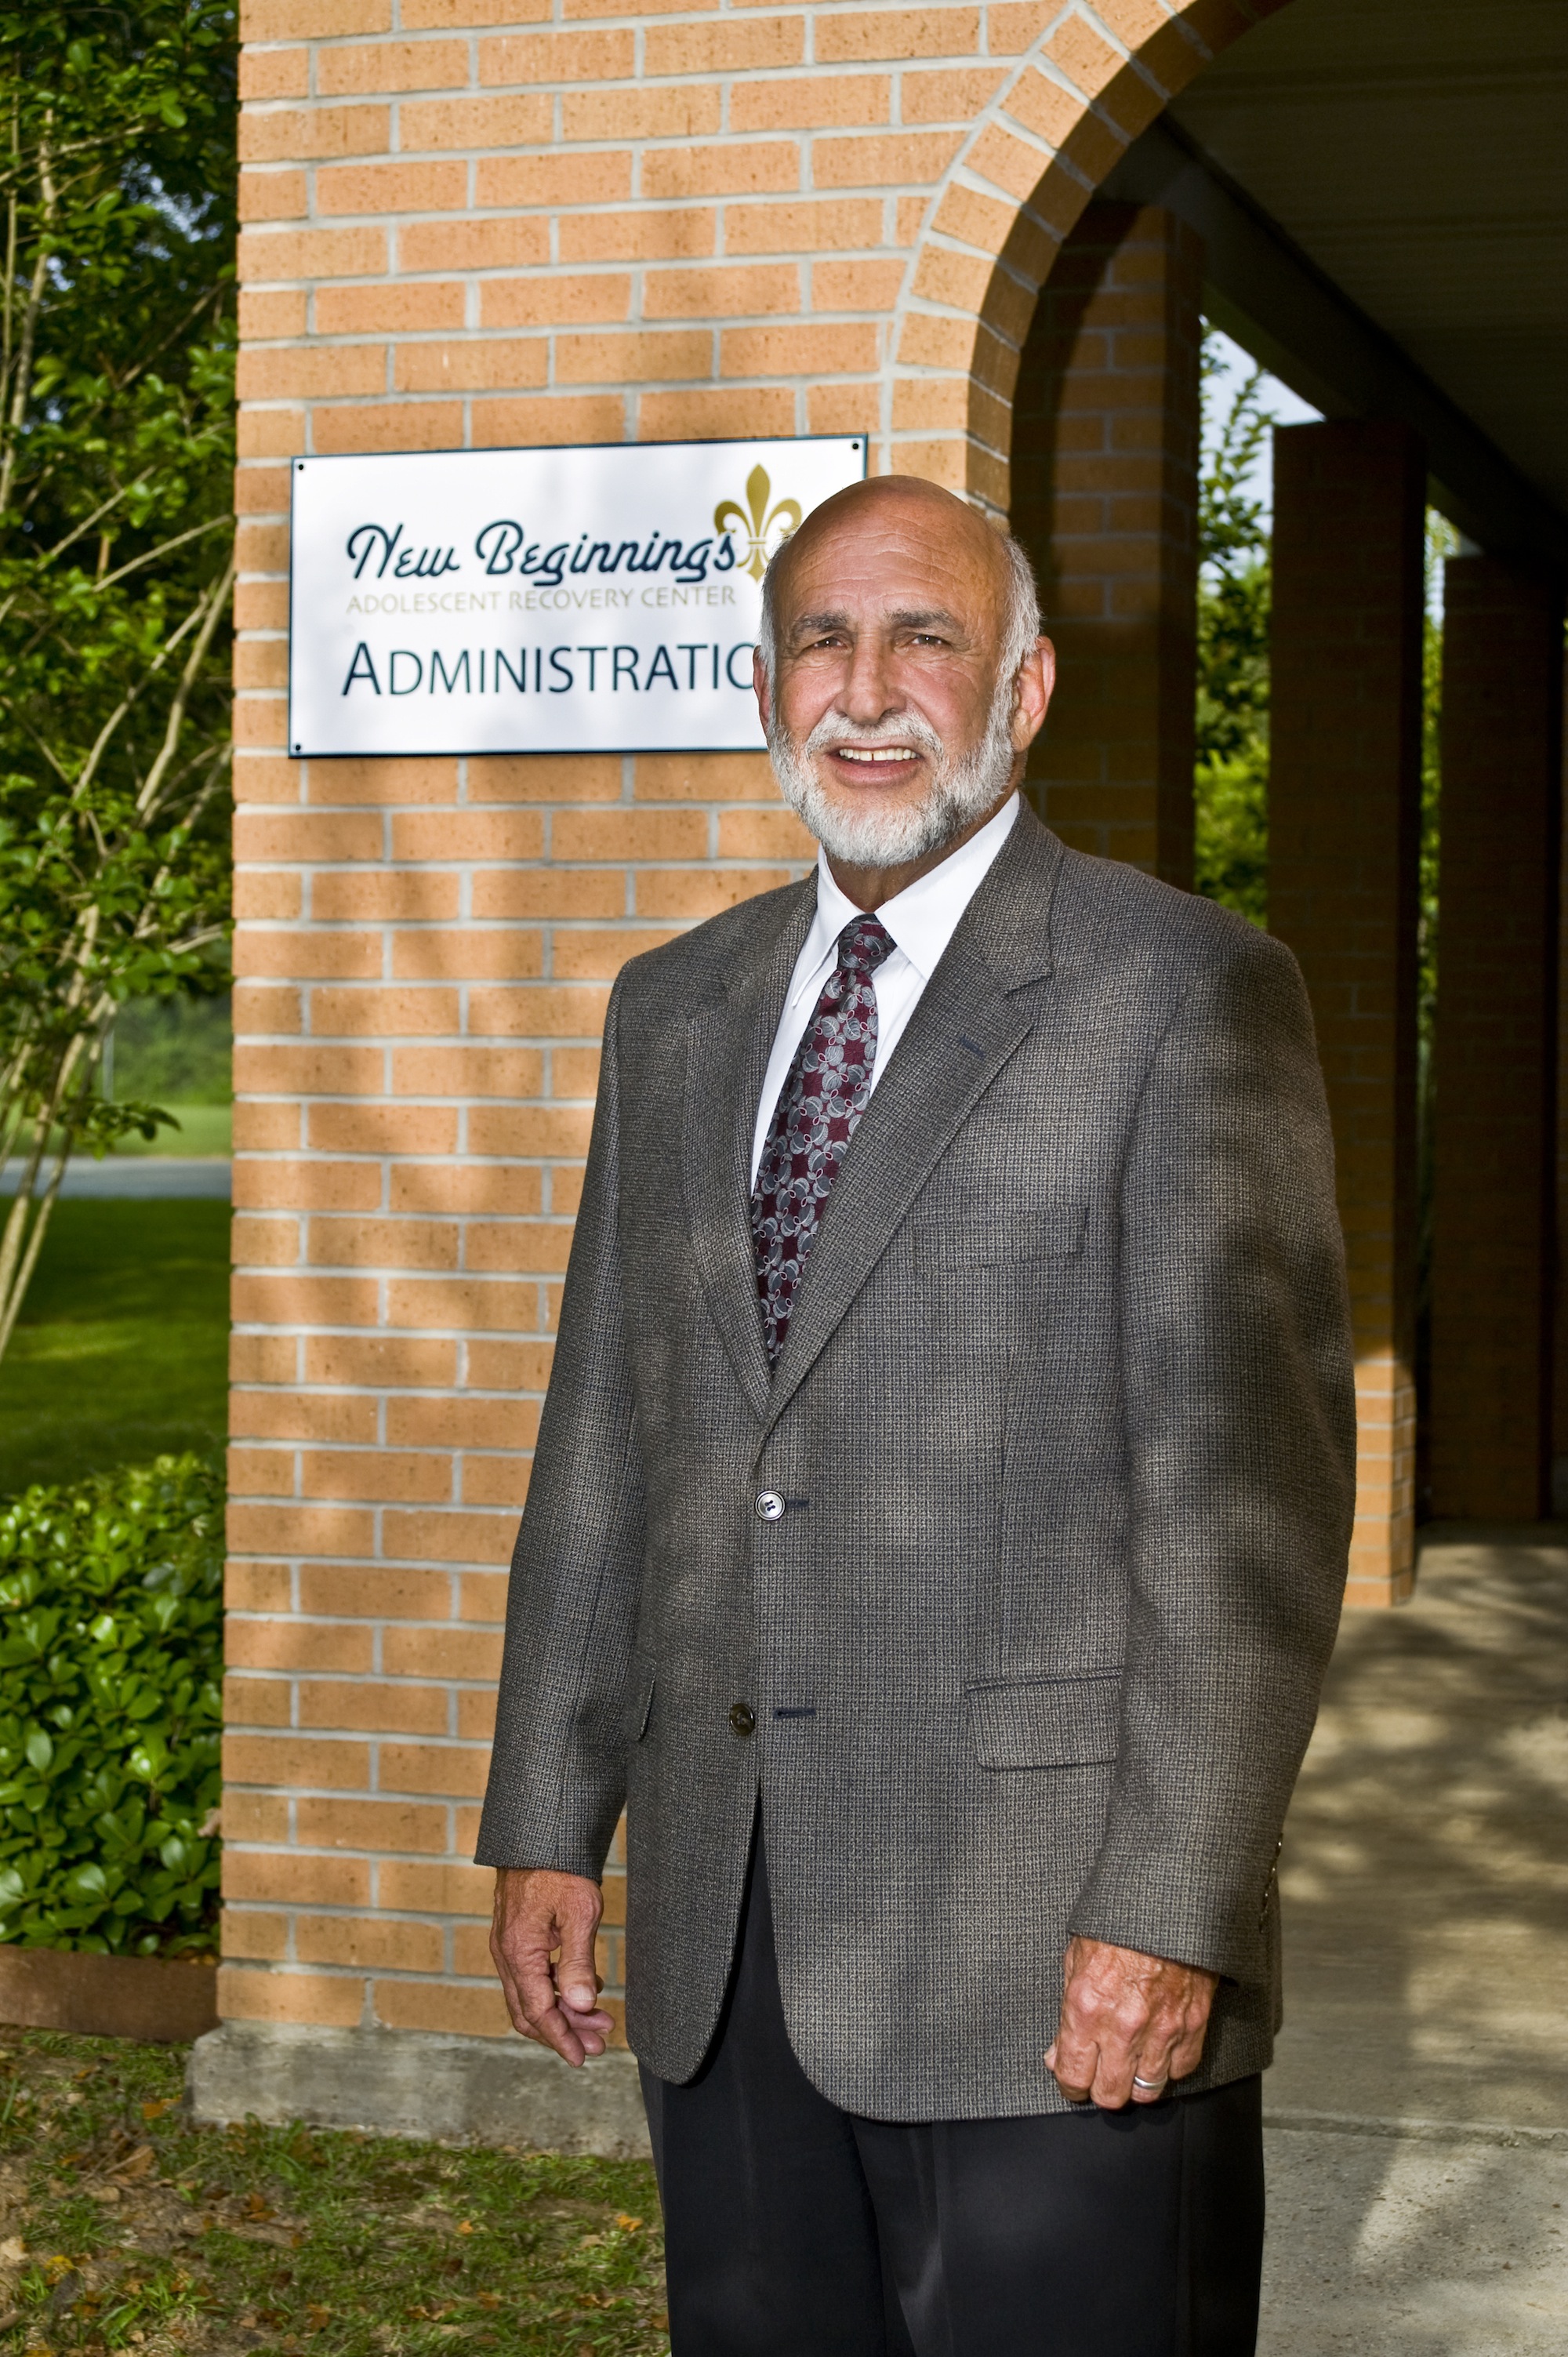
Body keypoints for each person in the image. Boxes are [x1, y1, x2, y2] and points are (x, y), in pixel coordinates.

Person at [476, 474, 1356, 2355]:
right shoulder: (674, 1008)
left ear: (1020, 688)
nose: (866, 689)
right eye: (821, 639)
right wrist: (549, 1814)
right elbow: (605, 1435)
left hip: (1054, 1957)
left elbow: (1251, 1520)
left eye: (924, 638)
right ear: (765, 685)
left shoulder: (1182, 993)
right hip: (729, 1935)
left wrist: (1171, 1911)